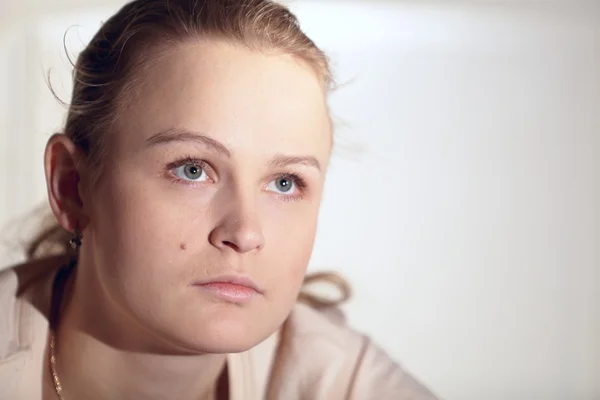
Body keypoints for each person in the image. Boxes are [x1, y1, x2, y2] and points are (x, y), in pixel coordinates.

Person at [0, 0, 439, 398]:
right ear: (72, 186)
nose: (245, 233)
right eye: (192, 170)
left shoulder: (339, 381)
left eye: (285, 182)